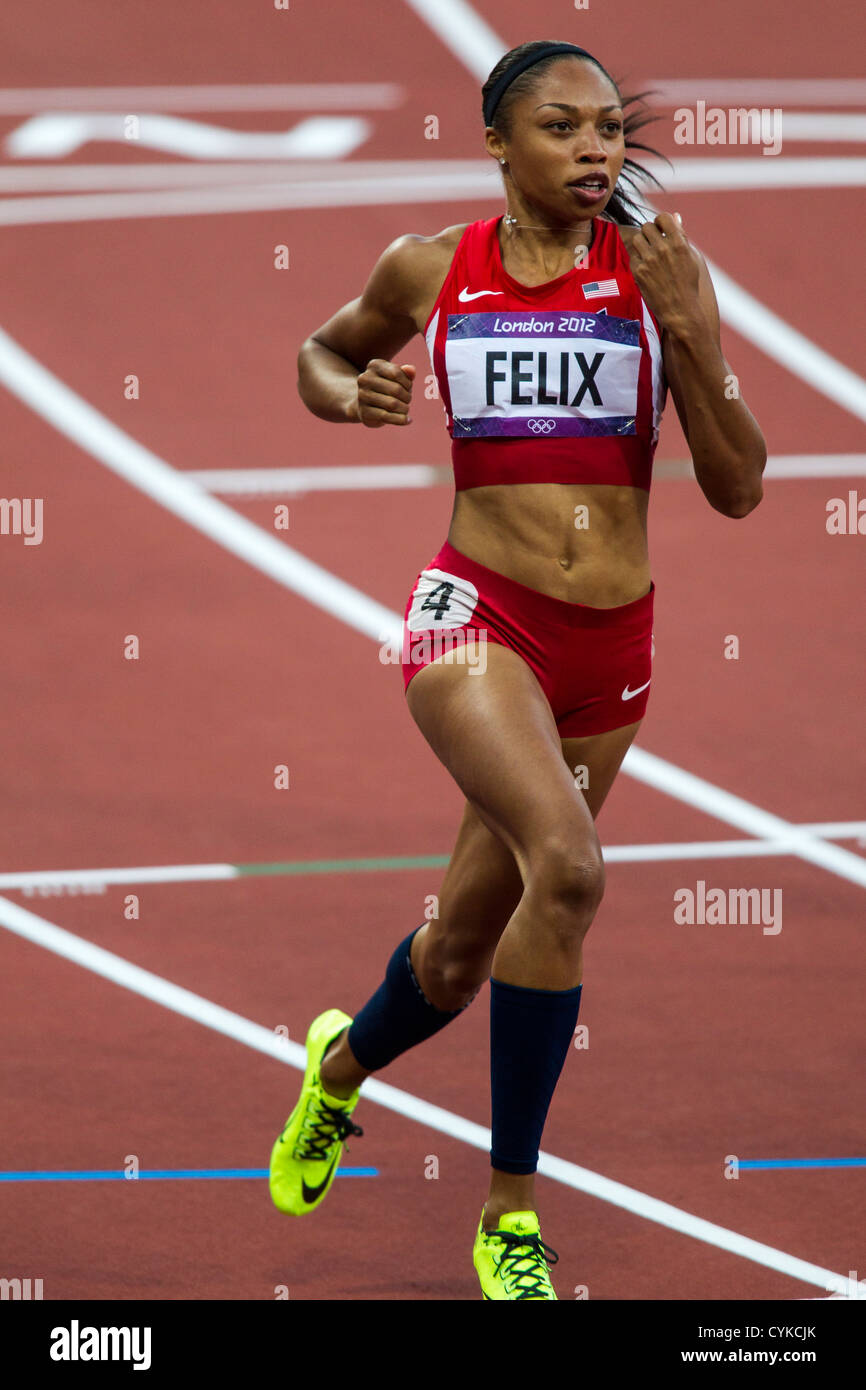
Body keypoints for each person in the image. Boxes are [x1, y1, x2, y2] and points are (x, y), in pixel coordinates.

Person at [269, 38, 767, 1300]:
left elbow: (741, 487)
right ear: (497, 141)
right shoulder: (433, 267)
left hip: (615, 649)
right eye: (562, 127)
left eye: (610, 129)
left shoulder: (657, 275)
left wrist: (695, 334)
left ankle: (336, 1068)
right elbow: (319, 353)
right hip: (472, 619)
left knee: (456, 953)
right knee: (573, 868)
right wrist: (351, 398)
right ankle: (508, 1215)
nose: (595, 149)